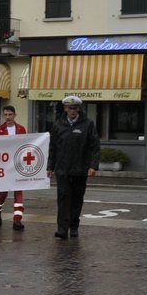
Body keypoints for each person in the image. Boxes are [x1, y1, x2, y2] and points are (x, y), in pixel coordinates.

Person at [49, 95, 100, 240]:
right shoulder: (58, 125)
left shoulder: (88, 124)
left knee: (77, 200)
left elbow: (95, 146)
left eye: (75, 108)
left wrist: (93, 166)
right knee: (63, 199)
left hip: (80, 169)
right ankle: (62, 229)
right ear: (65, 109)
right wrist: (50, 166)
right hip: (62, 169)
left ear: (79, 109)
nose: (72, 111)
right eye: (70, 108)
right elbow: (53, 147)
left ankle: (74, 226)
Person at [0, 104, 27, 231]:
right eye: (5, 115)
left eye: (10, 114)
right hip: (4, 166)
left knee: (18, 191)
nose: (8, 117)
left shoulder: (21, 129)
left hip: (17, 165)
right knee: (3, 191)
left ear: (14, 115)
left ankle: (17, 219)